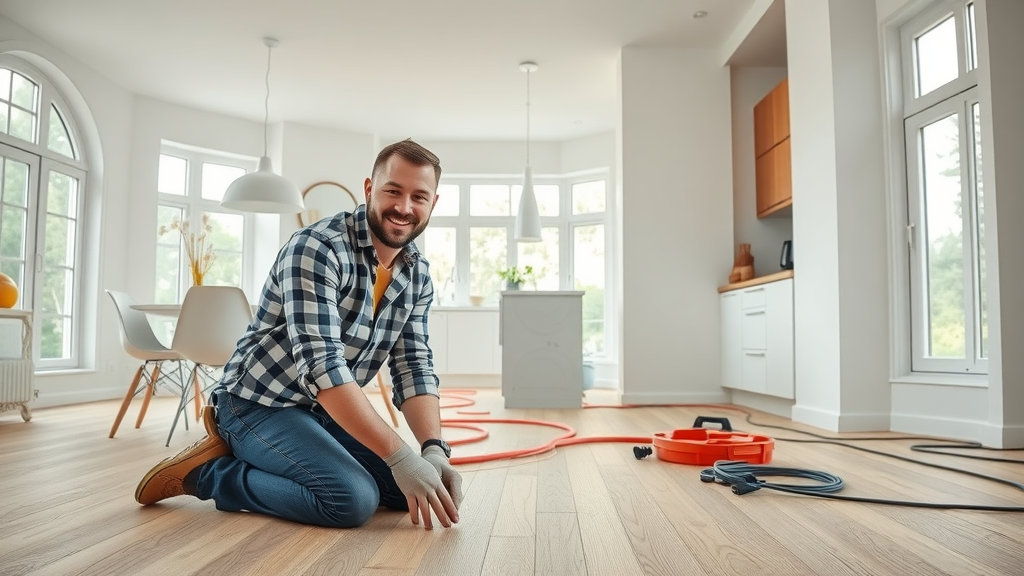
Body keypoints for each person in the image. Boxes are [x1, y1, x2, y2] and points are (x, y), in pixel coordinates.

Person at [135, 139, 462, 530]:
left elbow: (413, 365)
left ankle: (281, 458)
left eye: (418, 196)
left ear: (433, 204)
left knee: (399, 494)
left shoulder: (418, 274)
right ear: (370, 189)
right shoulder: (318, 248)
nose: (404, 207)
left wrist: (432, 450)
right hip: (257, 403)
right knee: (353, 500)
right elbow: (323, 367)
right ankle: (210, 474)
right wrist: (398, 456)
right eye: (393, 190)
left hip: (323, 411)